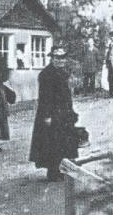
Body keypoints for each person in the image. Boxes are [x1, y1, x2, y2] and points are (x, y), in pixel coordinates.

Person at [29, 45, 79, 182]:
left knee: (64, 142)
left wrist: (71, 112)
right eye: (57, 58)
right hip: (52, 113)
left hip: (64, 113)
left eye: (62, 58)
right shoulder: (46, 74)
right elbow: (45, 98)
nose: (60, 60)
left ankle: (61, 170)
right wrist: (47, 116)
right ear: (52, 58)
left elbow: (67, 95)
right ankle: (52, 172)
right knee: (52, 143)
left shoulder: (63, 73)